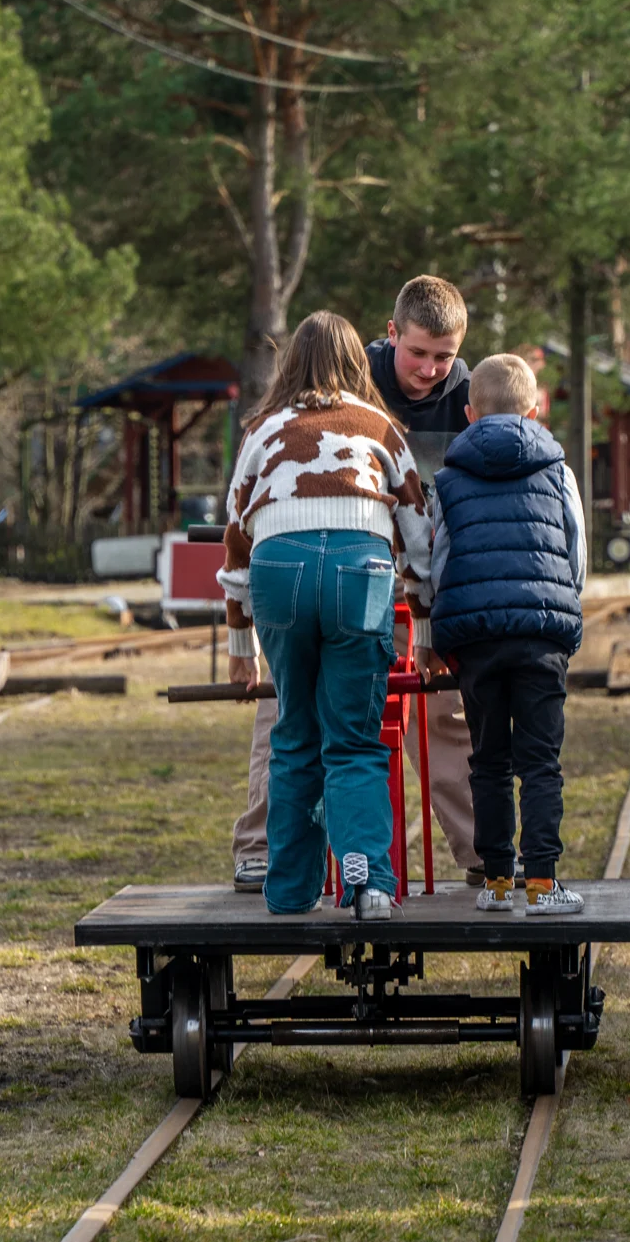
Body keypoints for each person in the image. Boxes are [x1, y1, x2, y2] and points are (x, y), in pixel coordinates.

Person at [230, 274, 484, 892]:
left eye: (443, 357)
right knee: (291, 709)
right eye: (417, 352)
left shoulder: (471, 401)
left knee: (444, 710)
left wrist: (427, 609)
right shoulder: (351, 387)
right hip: (361, 564)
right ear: (390, 334)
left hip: (411, 570)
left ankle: (483, 851)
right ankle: (263, 848)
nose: (428, 369)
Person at [218, 311, 434, 920]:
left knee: (294, 736)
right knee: (355, 741)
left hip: (278, 573)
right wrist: (426, 629)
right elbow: (419, 540)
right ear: (358, 365)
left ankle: (287, 889)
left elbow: (236, 539)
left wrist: (241, 650)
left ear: (291, 363)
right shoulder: (382, 428)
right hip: (357, 574)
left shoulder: (262, 430)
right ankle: (366, 883)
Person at [428, 354, 587, 916]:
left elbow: (438, 560)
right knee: (541, 761)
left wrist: (440, 628)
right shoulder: (557, 469)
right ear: (535, 410)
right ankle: (542, 883)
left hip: (475, 639)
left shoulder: (447, 478)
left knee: (489, 759)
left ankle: (497, 883)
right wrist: (565, 604)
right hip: (542, 632)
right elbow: (574, 550)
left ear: (470, 414)